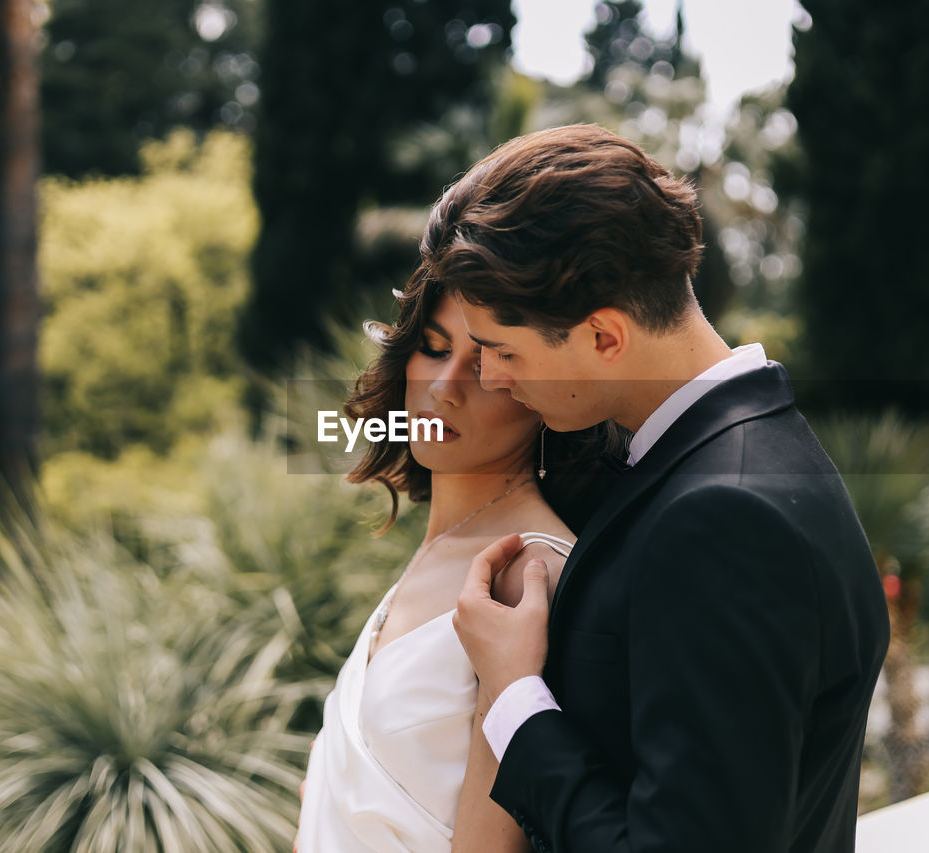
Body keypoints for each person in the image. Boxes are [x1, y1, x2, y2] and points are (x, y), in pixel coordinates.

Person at [439, 125, 892, 851]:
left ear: (605, 337)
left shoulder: (724, 517)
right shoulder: (757, 454)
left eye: (502, 350)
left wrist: (515, 693)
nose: (492, 378)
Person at [294, 256, 626, 852]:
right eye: (432, 347)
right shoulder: (443, 544)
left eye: (485, 364)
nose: (443, 389)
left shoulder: (526, 571)